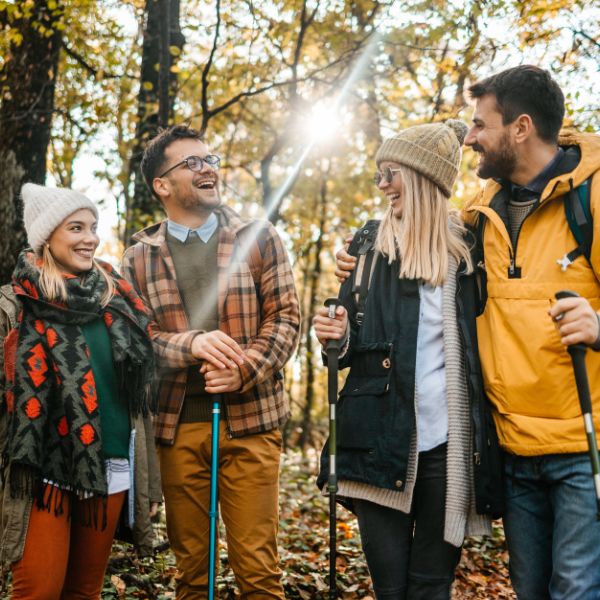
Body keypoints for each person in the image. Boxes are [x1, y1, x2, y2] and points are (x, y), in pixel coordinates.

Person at [335, 65, 600, 600]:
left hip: (579, 443)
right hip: (513, 448)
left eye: (480, 125)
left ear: (520, 127)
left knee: (574, 588)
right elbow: (417, 237)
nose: (471, 136)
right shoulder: (479, 219)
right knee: (530, 587)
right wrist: (358, 256)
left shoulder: (588, 200)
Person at [313, 120, 502, 600]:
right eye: (379, 174)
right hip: (380, 438)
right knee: (391, 589)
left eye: (391, 173)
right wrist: (334, 336)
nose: (382, 185)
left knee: (432, 587)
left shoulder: (470, 252)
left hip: (449, 448)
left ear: (423, 178)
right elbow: (346, 345)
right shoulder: (368, 247)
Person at [121, 125, 300, 599]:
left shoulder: (259, 239)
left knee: (259, 572)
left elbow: (286, 320)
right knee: (192, 576)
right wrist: (193, 344)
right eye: (193, 162)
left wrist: (243, 368)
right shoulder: (138, 259)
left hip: (252, 423)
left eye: (211, 159)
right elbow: (137, 342)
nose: (209, 168)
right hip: (178, 430)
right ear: (163, 184)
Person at [0, 184, 161, 599]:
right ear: (46, 236)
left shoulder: (118, 300)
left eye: (93, 227)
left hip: (110, 468)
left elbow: (139, 400)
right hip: (41, 469)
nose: (90, 238)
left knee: (85, 593)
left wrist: (149, 480)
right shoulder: (13, 305)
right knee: (37, 591)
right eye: (76, 227)